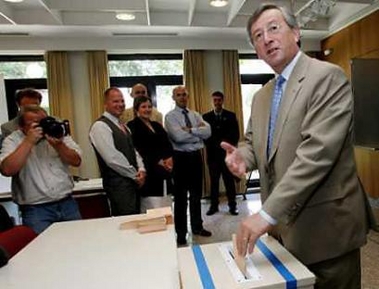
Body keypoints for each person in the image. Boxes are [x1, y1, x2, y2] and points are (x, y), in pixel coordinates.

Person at [222, 4, 374, 289]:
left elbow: (317, 155)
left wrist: (265, 215)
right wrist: (242, 157)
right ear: (255, 49)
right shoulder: (261, 95)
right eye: (257, 35)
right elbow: (254, 143)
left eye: (273, 28)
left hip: (327, 231)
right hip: (284, 233)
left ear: (296, 32)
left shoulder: (327, 77)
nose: (266, 38)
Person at [0, 105, 82, 234]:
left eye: (43, 121)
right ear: (21, 126)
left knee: (78, 242)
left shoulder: (57, 133)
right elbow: (7, 170)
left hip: (67, 204)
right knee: (42, 250)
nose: (42, 126)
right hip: (36, 211)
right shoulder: (13, 140)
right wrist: (28, 142)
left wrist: (60, 145)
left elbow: (76, 161)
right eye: (35, 123)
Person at [165, 86, 212, 245]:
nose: (182, 97)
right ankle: (180, 233)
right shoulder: (170, 117)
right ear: (174, 98)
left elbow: (208, 132)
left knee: (196, 195)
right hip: (180, 158)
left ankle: (197, 227)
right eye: (179, 95)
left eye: (184, 94)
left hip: (196, 158)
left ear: (188, 96)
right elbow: (177, 137)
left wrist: (190, 130)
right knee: (180, 198)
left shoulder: (195, 114)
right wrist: (197, 135)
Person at [89, 87, 146, 216]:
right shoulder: (100, 126)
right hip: (118, 186)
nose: (120, 105)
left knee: (136, 219)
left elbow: (134, 151)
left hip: (132, 183)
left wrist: (142, 169)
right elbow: (112, 158)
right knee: (126, 222)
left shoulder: (124, 126)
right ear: (105, 104)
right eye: (115, 101)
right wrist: (134, 174)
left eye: (122, 101)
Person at [127, 96, 174, 212]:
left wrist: (169, 159)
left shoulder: (157, 125)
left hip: (164, 172)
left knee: (166, 208)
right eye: (143, 107)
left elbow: (167, 144)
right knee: (153, 209)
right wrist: (158, 161)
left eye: (149, 107)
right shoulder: (132, 126)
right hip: (149, 173)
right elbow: (138, 149)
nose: (147, 109)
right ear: (136, 109)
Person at [203, 91, 240, 216]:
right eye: (215, 100)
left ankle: (233, 206)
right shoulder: (206, 117)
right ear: (212, 101)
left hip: (227, 155)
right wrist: (217, 144)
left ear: (223, 101)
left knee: (229, 182)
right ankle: (214, 206)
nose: (217, 102)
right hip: (213, 156)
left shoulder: (230, 115)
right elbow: (205, 137)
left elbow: (235, 135)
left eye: (219, 100)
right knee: (214, 183)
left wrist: (224, 144)